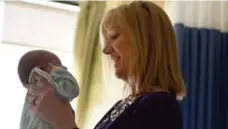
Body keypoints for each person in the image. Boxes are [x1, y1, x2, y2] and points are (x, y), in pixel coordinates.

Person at [27, 1, 185, 129]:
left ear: (145, 41)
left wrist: (62, 121)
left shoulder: (161, 106)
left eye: (114, 37)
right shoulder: (124, 105)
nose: (106, 50)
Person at [18, 50, 79, 129]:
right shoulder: (47, 85)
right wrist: (59, 72)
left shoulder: (30, 102)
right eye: (58, 65)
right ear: (43, 69)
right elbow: (73, 90)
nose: (65, 68)